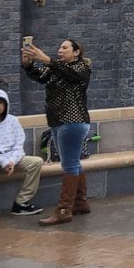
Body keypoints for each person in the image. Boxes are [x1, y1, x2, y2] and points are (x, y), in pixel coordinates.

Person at [21, 39, 92, 226]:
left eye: (65, 47)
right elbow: (41, 77)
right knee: (73, 163)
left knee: (69, 165)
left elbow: (71, 75)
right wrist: (28, 65)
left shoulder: (81, 67)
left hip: (73, 122)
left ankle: (63, 211)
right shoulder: (56, 68)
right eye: (59, 47)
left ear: (76, 52)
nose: (60, 50)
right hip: (58, 122)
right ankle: (80, 203)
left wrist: (47, 60)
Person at [0, 88, 44, 215]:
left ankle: (21, 203)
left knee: (36, 162)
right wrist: (3, 162)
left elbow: (19, 145)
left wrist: (11, 162)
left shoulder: (13, 121)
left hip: (12, 159)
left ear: (5, 104)